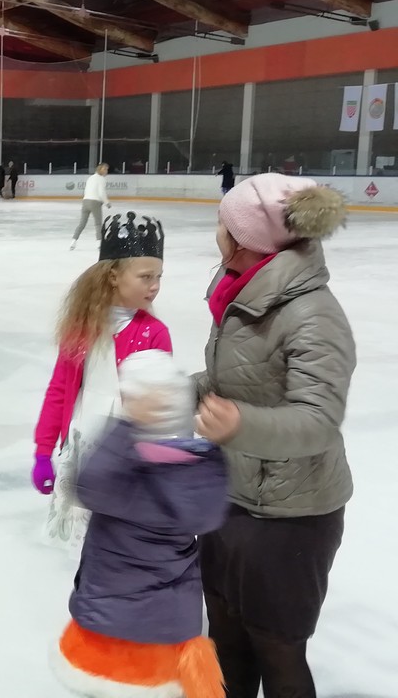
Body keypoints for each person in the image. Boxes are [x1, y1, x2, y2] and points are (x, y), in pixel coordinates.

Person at [193, 174, 354, 698]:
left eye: (224, 222)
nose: (217, 229)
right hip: (230, 494)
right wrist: (178, 392)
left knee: (278, 650)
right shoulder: (241, 290)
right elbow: (236, 380)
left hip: (290, 515)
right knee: (224, 638)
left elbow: (318, 419)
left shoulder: (311, 314)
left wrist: (240, 424)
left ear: (243, 238)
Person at [51, 350, 228, 698]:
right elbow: (209, 515)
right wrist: (213, 450)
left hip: (112, 630)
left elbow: (89, 487)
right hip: (168, 630)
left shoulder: (125, 470)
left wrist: (128, 426)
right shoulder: (197, 469)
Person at [33, 212, 170, 550]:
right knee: (82, 544)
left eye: (158, 276)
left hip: (125, 456)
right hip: (83, 442)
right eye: (145, 276)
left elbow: (161, 409)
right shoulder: (83, 328)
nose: (155, 285)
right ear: (113, 276)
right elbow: (59, 389)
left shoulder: (154, 334)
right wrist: (43, 451)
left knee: (114, 542)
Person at [70, 163, 112, 250]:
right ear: (99, 169)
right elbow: (101, 193)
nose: (106, 171)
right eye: (104, 169)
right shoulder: (101, 179)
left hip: (85, 202)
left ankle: (73, 241)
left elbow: (86, 191)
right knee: (98, 224)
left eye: (107, 169)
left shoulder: (90, 178)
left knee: (82, 223)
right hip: (95, 202)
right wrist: (107, 202)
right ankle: (99, 244)